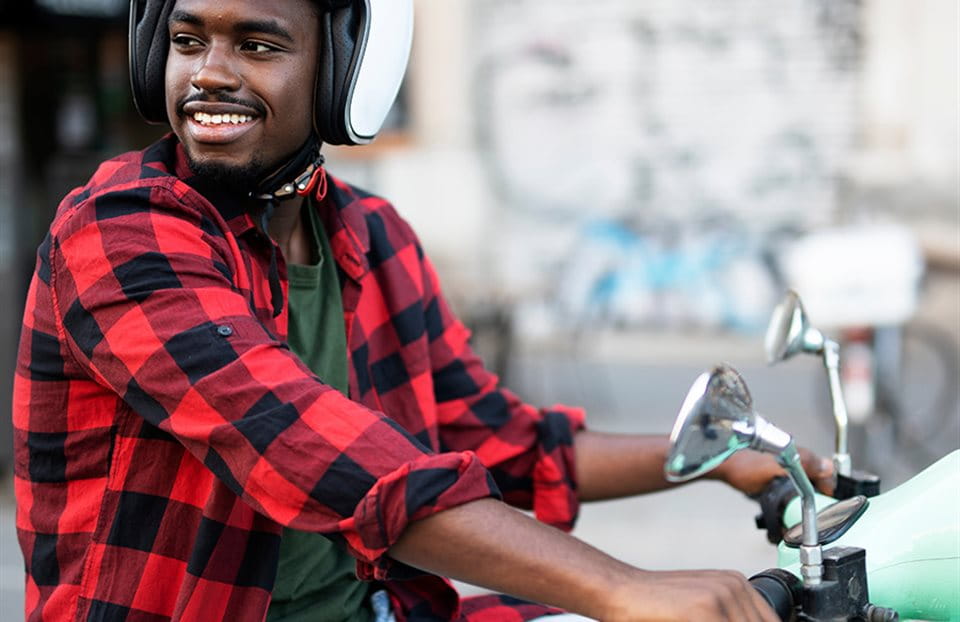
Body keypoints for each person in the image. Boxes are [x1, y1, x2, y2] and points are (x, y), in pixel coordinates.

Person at [12, 0, 834, 620]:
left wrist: (717, 458)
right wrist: (619, 587)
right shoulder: (119, 233)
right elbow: (304, 445)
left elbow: (500, 442)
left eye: (258, 46)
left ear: (342, 72)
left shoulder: (372, 239)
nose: (209, 74)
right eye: (189, 41)